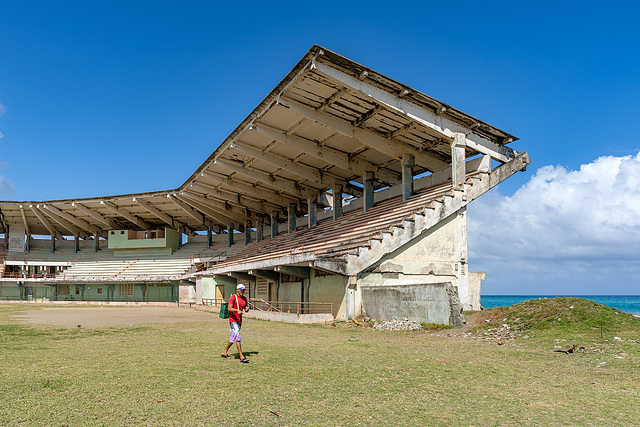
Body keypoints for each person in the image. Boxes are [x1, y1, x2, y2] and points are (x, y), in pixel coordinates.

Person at [221, 284, 250, 363]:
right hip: (233, 320)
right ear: (237, 290)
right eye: (241, 290)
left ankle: (224, 352)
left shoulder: (244, 299)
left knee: (233, 338)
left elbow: (245, 308)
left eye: (244, 290)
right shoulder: (233, 297)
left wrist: (247, 309)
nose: (242, 291)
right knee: (237, 337)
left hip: (239, 320)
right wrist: (237, 310)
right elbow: (229, 308)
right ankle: (241, 357)